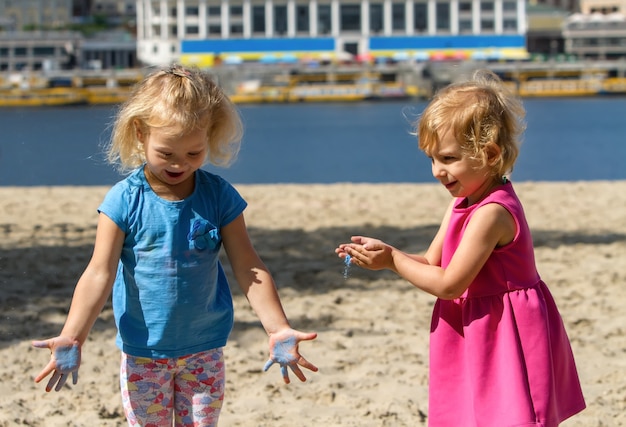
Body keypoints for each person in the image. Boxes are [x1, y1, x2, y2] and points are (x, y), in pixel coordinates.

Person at [33, 64, 318, 426]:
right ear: (140, 134)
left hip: (204, 348)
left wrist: (277, 327)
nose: (179, 164)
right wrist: (73, 335)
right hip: (144, 352)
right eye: (167, 153)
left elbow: (249, 266)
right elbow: (98, 272)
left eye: (194, 154)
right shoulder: (124, 200)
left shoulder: (219, 196)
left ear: (209, 137)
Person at [335, 69, 585, 426]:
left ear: (490, 153)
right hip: (470, 326)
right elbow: (431, 263)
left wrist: (392, 262)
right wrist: (387, 253)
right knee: (469, 413)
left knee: (513, 414)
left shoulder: (493, 213)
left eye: (449, 159)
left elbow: (451, 284)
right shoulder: (460, 203)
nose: (438, 170)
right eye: (432, 159)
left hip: (505, 331)